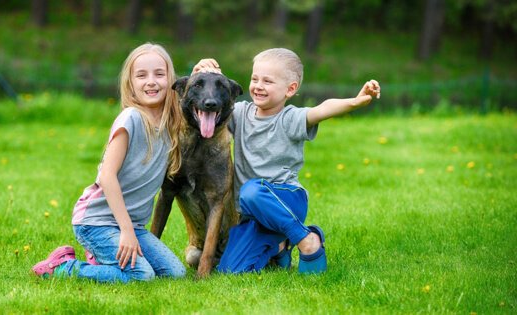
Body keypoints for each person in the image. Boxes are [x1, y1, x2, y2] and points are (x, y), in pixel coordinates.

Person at [192, 48, 380, 274]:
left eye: (268, 81)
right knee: (230, 270)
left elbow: (323, 109)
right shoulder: (239, 113)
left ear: (290, 89)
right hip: (253, 214)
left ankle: (307, 238)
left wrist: (356, 102)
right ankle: (279, 247)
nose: (258, 85)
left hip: (287, 199)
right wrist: (199, 74)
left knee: (251, 191)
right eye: (255, 79)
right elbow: (208, 101)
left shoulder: (290, 118)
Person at [32, 43, 187, 283]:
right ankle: (64, 268)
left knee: (175, 273)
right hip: (97, 221)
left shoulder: (171, 124)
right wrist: (125, 231)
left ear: (171, 79)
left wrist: (205, 67)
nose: (151, 81)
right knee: (141, 275)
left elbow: (198, 92)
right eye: (141, 75)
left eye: (159, 73)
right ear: (130, 84)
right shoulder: (131, 119)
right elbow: (107, 176)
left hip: (132, 226)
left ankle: (103, 256)